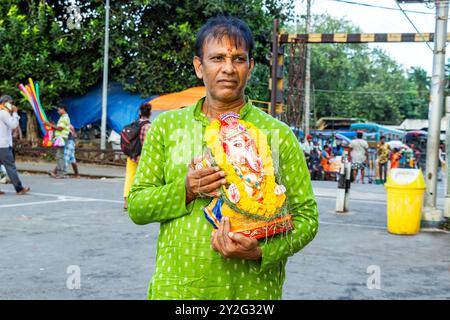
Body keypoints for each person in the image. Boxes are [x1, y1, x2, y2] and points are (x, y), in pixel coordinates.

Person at [127, 16, 318, 300]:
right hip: (178, 291)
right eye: (217, 58)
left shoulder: (277, 134)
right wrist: (187, 190)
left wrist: (263, 251)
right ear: (198, 67)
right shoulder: (168, 127)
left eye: (238, 59)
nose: (228, 68)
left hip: (251, 293)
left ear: (250, 68)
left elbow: (307, 218)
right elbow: (137, 207)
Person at [123, 102, 152, 210]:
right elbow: (147, 144)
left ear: (140, 113)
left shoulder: (134, 124)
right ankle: (143, 201)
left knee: (129, 177)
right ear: (150, 113)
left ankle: (126, 200)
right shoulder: (148, 126)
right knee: (145, 178)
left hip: (131, 155)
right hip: (142, 157)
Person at [0, 95, 30, 195]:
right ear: (4, 103)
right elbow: (13, 125)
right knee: (10, 167)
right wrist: (15, 113)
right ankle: (19, 188)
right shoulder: (4, 113)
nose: (12, 105)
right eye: (10, 102)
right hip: (3, 145)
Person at [45, 105, 71, 178]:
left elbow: (59, 128)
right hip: (61, 138)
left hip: (61, 138)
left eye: (59, 110)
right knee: (60, 155)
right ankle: (62, 172)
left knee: (59, 156)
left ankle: (61, 173)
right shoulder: (63, 117)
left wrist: (49, 124)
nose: (58, 111)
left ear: (63, 109)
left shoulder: (64, 118)